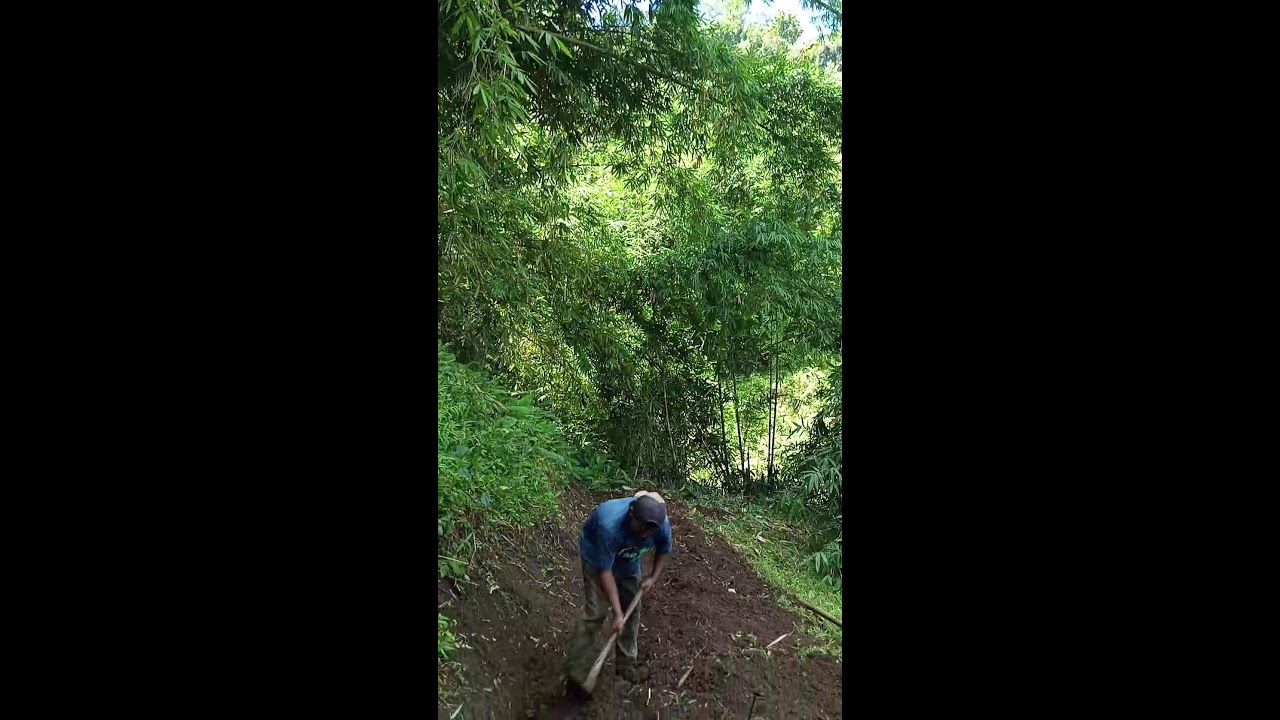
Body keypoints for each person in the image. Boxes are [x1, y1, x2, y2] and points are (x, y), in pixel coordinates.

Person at [566, 491, 672, 688]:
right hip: (597, 558)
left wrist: (652, 578)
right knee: (595, 614)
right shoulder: (609, 525)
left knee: (632, 609)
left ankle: (626, 664)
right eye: (641, 528)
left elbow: (664, 549)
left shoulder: (660, 524)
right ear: (631, 513)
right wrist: (616, 613)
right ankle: (576, 671)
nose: (645, 534)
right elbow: (605, 572)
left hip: (628, 561)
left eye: (650, 531)